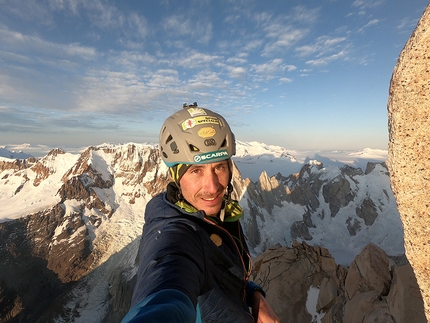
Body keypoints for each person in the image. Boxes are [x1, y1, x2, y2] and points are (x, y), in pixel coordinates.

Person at [121, 103, 280, 323]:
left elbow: (221, 278)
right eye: (196, 171)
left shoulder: (217, 215)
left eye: (219, 168)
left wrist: (254, 294)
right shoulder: (176, 232)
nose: (213, 187)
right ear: (177, 177)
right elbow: (167, 281)